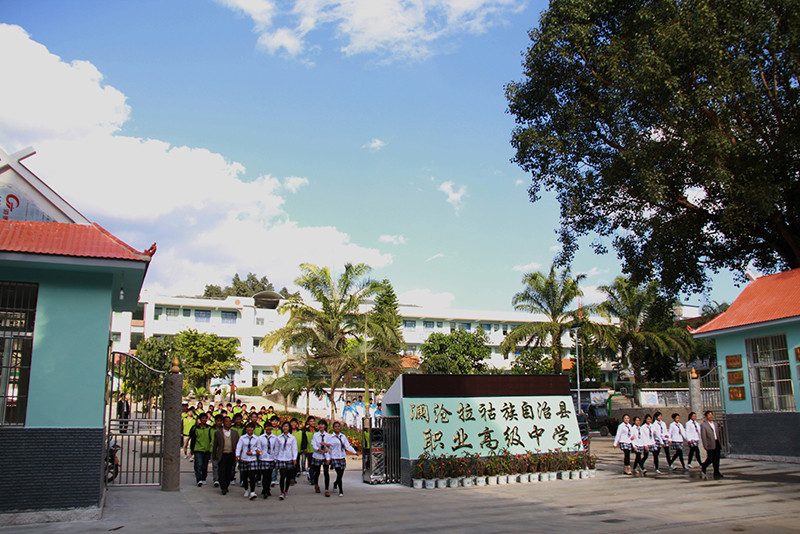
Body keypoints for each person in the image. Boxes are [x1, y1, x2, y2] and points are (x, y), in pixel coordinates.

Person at [328, 421, 357, 496]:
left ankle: (335, 483)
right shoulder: (331, 437)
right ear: (333, 428)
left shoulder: (342, 436)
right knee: (339, 473)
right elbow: (328, 447)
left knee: (341, 473)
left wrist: (354, 452)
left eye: (338, 426)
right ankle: (341, 490)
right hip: (335, 457)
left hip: (342, 456)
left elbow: (347, 446)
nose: (337, 428)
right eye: (336, 427)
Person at [213, 416, 239, 495]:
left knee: (229, 471)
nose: (228, 423)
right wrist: (214, 456)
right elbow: (215, 445)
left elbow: (237, 445)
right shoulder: (218, 433)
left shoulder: (234, 433)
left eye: (229, 421)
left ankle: (226, 485)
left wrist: (237, 455)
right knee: (222, 471)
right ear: (223, 423)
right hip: (222, 454)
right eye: (226, 421)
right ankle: (223, 487)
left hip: (231, 454)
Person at [236, 422, 261, 500]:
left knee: (252, 476)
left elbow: (259, 450)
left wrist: (253, 453)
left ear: (253, 429)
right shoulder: (242, 438)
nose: (250, 429)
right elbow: (239, 447)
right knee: (244, 476)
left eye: (251, 428)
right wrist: (237, 455)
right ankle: (246, 489)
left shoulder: (257, 438)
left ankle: (252, 491)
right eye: (248, 428)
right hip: (244, 458)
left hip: (252, 459)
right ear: (246, 429)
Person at [274, 422, 298, 500]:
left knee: (288, 476)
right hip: (281, 458)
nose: (285, 428)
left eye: (287, 426)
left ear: (289, 428)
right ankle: (281, 492)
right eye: (284, 426)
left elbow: (294, 449)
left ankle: (286, 490)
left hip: (289, 458)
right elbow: (276, 448)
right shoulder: (279, 438)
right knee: (282, 475)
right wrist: (275, 458)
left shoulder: (292, 438)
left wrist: (294, 458)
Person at [189, 413, 214, 486]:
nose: (204, 420)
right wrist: (192, 449)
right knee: (198, 464)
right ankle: (199, 479)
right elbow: (193, 439)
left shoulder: (209, 428)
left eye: (205, 418)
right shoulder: (195, 428)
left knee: (205, 465)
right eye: (203, 418)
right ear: (200, 419)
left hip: (207, 449)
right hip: (198, 449)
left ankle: (203, 478)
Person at [256, 423, 277, 499]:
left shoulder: (275, 438)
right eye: (267, 427)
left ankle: (267, 489)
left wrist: (275, 458)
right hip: (263, 458)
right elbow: (259, 447)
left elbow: (276, 448)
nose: (268, 428)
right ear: (264, 428)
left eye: (269, 427)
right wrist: (260, 454)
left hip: (271, 458)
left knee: (269, 475)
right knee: (265, 475)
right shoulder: (260, 438)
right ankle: (265, 490)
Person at [700, 410, 723, 479]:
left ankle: (716, 471)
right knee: (711, 457)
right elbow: (703, 435)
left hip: (716, 442)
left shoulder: (715, 424)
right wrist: (705, 444)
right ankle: (704, 466)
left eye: (711, 415)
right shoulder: (704, 425)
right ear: (706, 416)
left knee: (717, 458)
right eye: (709, 415)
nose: (711, 416)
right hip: (710, 443)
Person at [210, 414, 224, 487]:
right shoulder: (211, 429)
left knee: (221, 466)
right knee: (215, 465)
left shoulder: (224, 430)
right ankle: (216, 479)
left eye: (220, 421)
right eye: (217, 421)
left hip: (222, 450)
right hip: (214, 450)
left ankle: (221, 478)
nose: (219, 422)